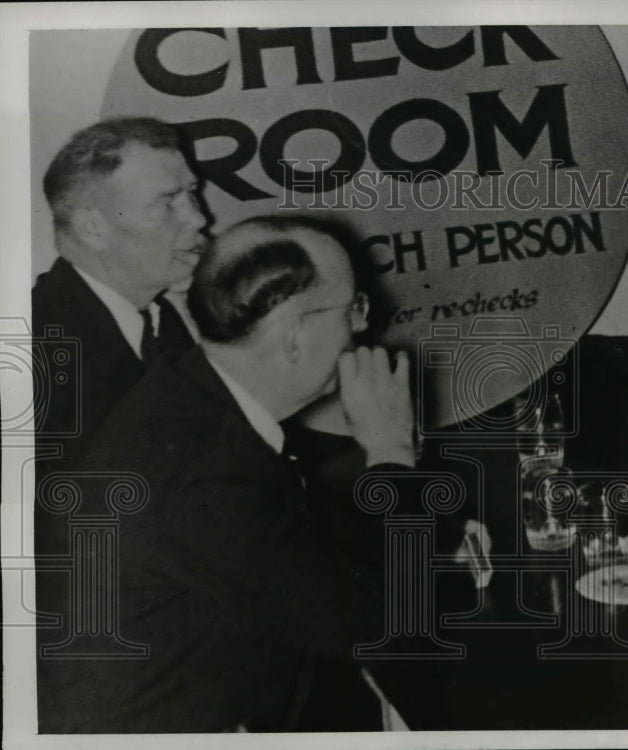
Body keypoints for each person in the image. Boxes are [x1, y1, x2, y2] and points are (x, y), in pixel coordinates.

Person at [35, 216, 431, 732]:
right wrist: (391, 452)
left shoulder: (188, 393)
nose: (361, 327)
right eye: (353, 308)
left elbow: (291, 546)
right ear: (294, 338)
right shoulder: (206, 477)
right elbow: (387, 629)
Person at [33, 117, 207, 463]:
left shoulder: (173, 317)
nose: (198, 219)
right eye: (167, 202)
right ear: (93, 228)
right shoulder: (35, 351)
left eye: (192, 193)